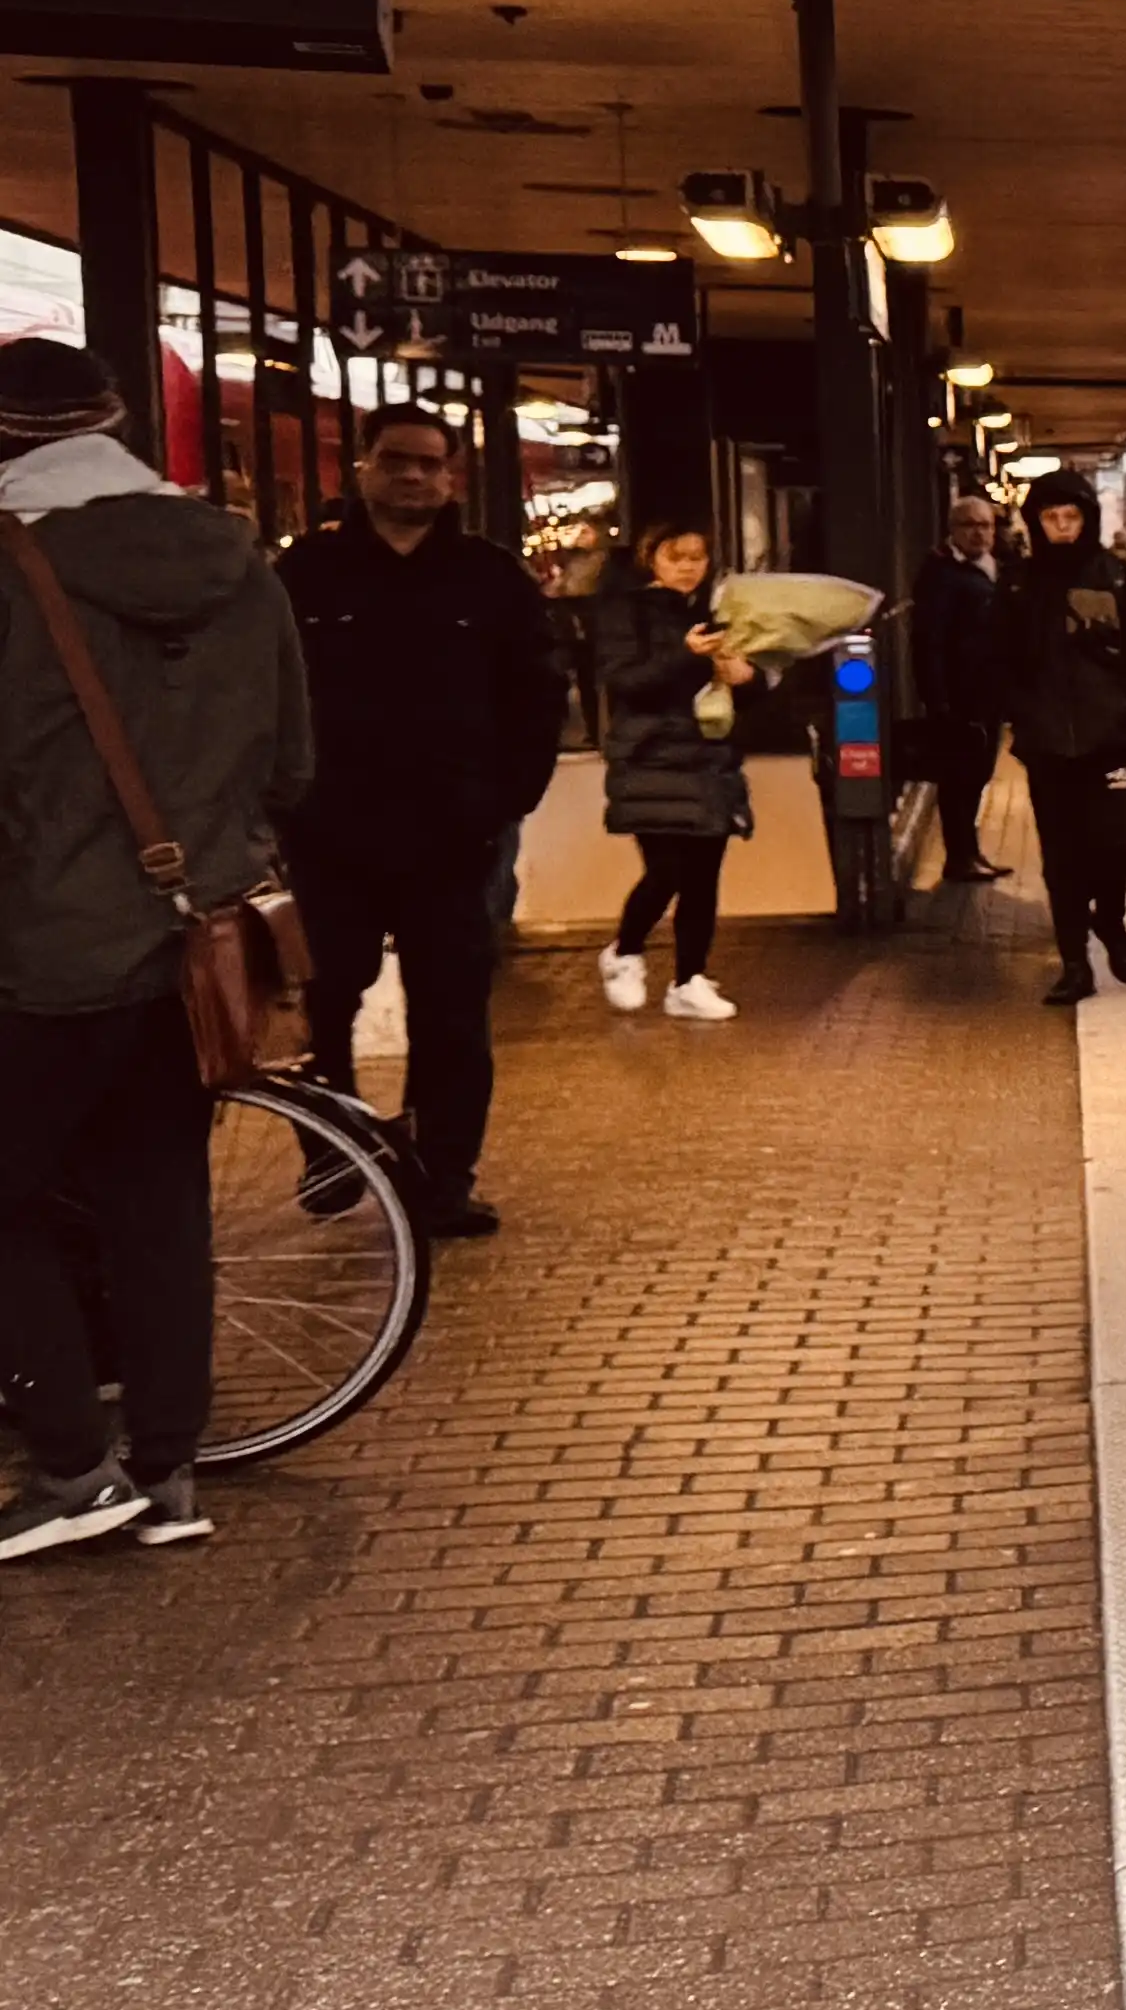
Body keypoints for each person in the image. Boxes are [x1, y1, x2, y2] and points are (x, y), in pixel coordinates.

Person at [0, 336, 314, 1557]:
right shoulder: (241, 563)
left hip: (48, 948)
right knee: (158, 1201)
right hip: (201, 941)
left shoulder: (12, 565)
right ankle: (167, 1473)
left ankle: (72, 1464)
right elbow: (293, 764)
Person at [278, 408, 566, 1236]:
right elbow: (265, 688)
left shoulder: (490, 579)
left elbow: (538, 694)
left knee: (452, 1015)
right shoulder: (309, 573)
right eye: (394, 460)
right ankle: (331, 1151)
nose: (411, 476)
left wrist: (509, 798)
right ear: (359, 469)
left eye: (428, 464)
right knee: (324, 1003)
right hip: (331, 833)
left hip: (451, 838)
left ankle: (444, 1179)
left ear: (452, 479)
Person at [1005, 473, 1126, 1006]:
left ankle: (1111, 921)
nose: (1062, 527)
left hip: (1110, 743)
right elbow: (998, 657)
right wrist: (1022, 712)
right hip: (1047, 745)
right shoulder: (1018, 585)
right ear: (1035, 521)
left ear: (1087, 519)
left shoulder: (1123, 581)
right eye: (1051, 518)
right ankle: (1075, 961)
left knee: (1111, 843)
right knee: (1060, 856)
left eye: (1071, 517)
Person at [591, 526, 754, 1018]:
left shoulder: (720, 612)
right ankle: (625, 951)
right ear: (650, 559)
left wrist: (748, 677)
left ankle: (690, 980)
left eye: (698, 556)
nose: (687, 566)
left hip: (709, 760)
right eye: (675, 556)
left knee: (704, 877)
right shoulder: (627, 611)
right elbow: (626, 682)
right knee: (667, 871)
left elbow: (752, 688)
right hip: (652, 761)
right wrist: (686, 656)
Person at [906, 490, 1007, 883]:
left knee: (978, 774)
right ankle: (959, 857)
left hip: (989, 694)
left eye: (986, 525)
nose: (979, 533)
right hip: (960, 697)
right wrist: (939, 701)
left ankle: (970, 851)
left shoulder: (993, 567)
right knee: (959, 777)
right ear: (953, 530)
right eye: (970, 525)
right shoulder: (941, 574)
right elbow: (929, 641)